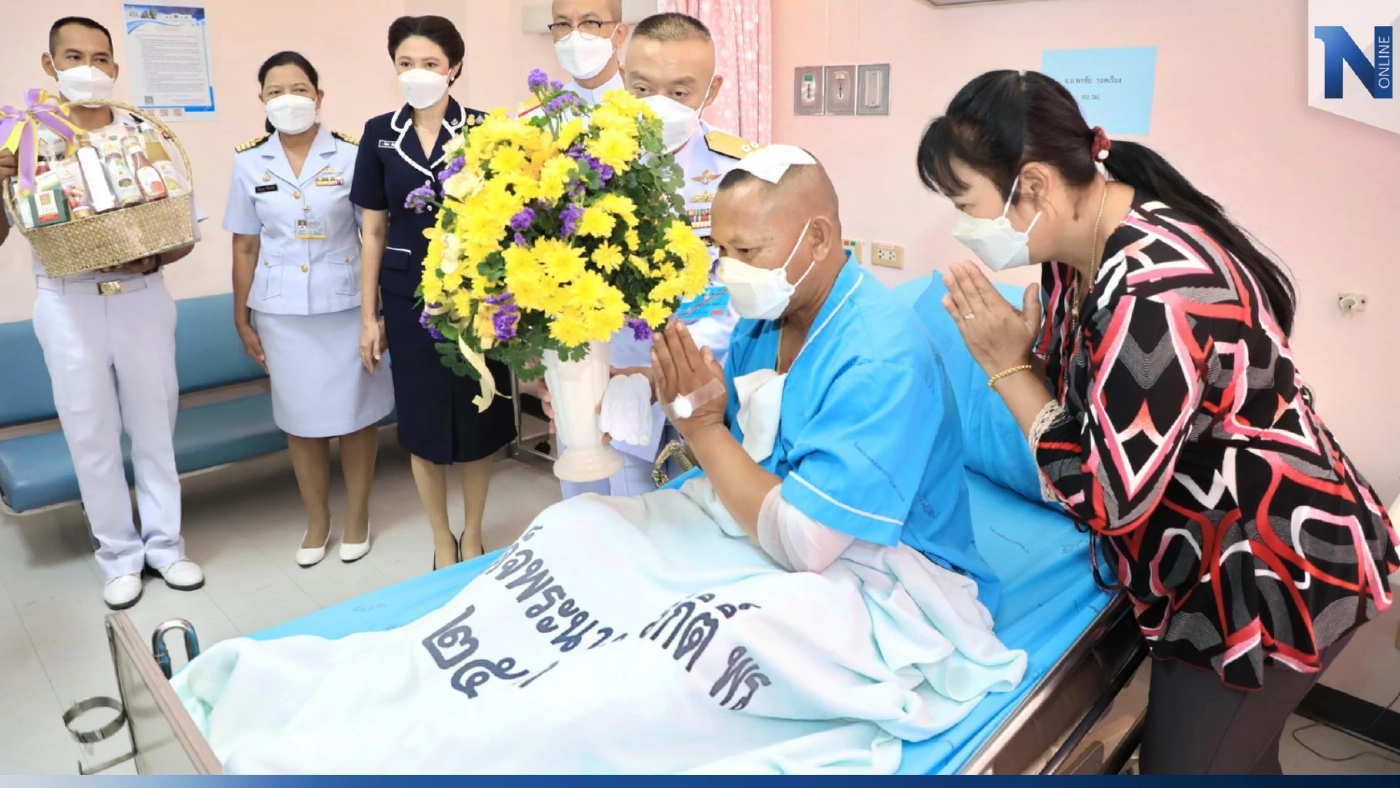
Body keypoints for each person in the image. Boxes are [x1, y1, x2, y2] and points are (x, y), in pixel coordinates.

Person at [915, 69, 1398, 774]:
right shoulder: (1073, 259)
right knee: (1244, 761)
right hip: (1211, 552)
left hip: (1271, 571)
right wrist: (1032, 353)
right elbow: (1099, 407)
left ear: (1037, 187)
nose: (961, 228)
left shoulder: (1154, 292)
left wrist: (1006, 368)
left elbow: (1108, 494)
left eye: (966, 204)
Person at [658, 143, 1001, 608]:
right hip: (761, 525)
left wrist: (700, 429)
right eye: (720, 249)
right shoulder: (761, 322)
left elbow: (806, 542)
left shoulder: (880, 359)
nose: (728, 269)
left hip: (886, 566)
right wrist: (701, 412)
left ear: (818, 238)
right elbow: (738, 458)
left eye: (745, 250)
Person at [6, 17, 209, 610]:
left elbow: (183, 230)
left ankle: (166, 546)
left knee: (154, 425)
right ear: (49, 65)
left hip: (143, 298)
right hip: (66, 302)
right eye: (73, 56)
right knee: (89, 432)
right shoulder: (25, 138)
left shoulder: (145, 135)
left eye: (100, 58)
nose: (87, 69)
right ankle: (118, 554)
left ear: (116, 70)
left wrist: (145, 260)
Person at [539, 11, 760, 499]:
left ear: (713, 88)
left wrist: (676, 366)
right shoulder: (574, 163)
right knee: (593, 524)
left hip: (704, 386)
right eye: (642, 88)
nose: (660, 105)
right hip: (602, 388)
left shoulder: (739, 173)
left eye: (680, 91)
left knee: (684, 535)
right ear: (623, 79)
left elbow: (745, 294)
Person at [353, 16, 517, 571]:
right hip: (406, 297)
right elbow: (372, 230)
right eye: (405, 64)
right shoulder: (378, 134)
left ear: (454, 68)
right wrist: (368, 314)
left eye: (429, 64)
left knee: (478, 416)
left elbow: (506, 220)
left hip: (476, 300)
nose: (417, 74)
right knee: (422, 423)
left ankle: (472, 534)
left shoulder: (484, 130)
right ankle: (441, 538)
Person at [227, 51, 395, 568]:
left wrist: (377, 313)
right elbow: (244, 246)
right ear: (261, 100)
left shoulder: (352, 154)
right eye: (276, 91)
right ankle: (318, 519)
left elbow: (375, 233)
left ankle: (358, 515)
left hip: (347, 305)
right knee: (300, 420)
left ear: (319, 97)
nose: (289, 99)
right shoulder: (249, 161)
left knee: (356, 415)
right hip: (281, 313)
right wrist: (241, 315)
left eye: (300, 89)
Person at [519, 0, 628, 116]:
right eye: (563, 24)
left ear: (619, 34)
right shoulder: (536, 117)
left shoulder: (645, 103)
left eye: (590, 22)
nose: (575, 35)